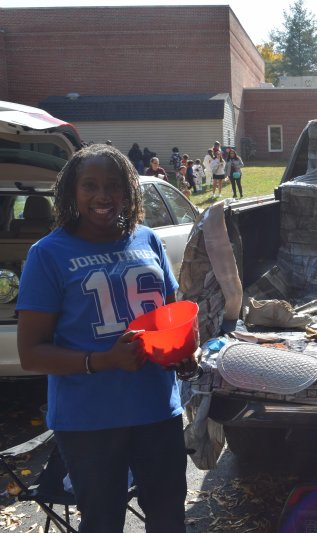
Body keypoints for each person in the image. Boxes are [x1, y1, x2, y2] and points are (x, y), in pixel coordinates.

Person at [16, 144, 191, 532]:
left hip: (157, 409)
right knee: (103, 523)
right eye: (90, 185)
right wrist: (103, 360)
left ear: (129, 191)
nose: (103, 196)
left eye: (114, 186)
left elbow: (169, 316)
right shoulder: (48, 254)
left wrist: (182, 352)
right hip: (89, 420)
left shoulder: (149, 240)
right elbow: (30, 353)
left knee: (169, 519)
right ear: (71, 192)